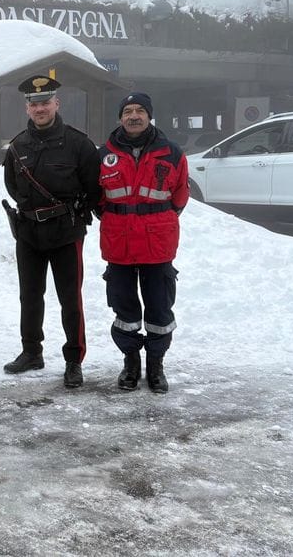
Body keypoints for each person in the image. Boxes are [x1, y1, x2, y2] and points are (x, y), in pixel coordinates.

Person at [2, 75, 100, 389]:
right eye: (34, 104)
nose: (40, 108)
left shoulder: (78, 144)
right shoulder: (18, 146)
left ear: (57, 103)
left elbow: (94, 187)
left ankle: (74, 360)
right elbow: (12, 185)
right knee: (30, 296)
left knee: (70, 299)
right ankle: (32, 352)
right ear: (27, 108)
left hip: (65, 233)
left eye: (45, 102)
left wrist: (76, 215)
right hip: (29, 232)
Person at [97, 92, 189, 393]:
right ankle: (131, 363)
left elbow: (179, 196)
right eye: (127, 111)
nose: (133, 116)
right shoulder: (104, 154)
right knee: (124, 309)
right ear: (120, 117)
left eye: (139, 111)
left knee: (160, 309)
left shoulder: (171, 153)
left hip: (157, 245)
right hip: (119, 244)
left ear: (149, 115)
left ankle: (156, 364)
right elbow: (97, 198)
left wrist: (157, 219)